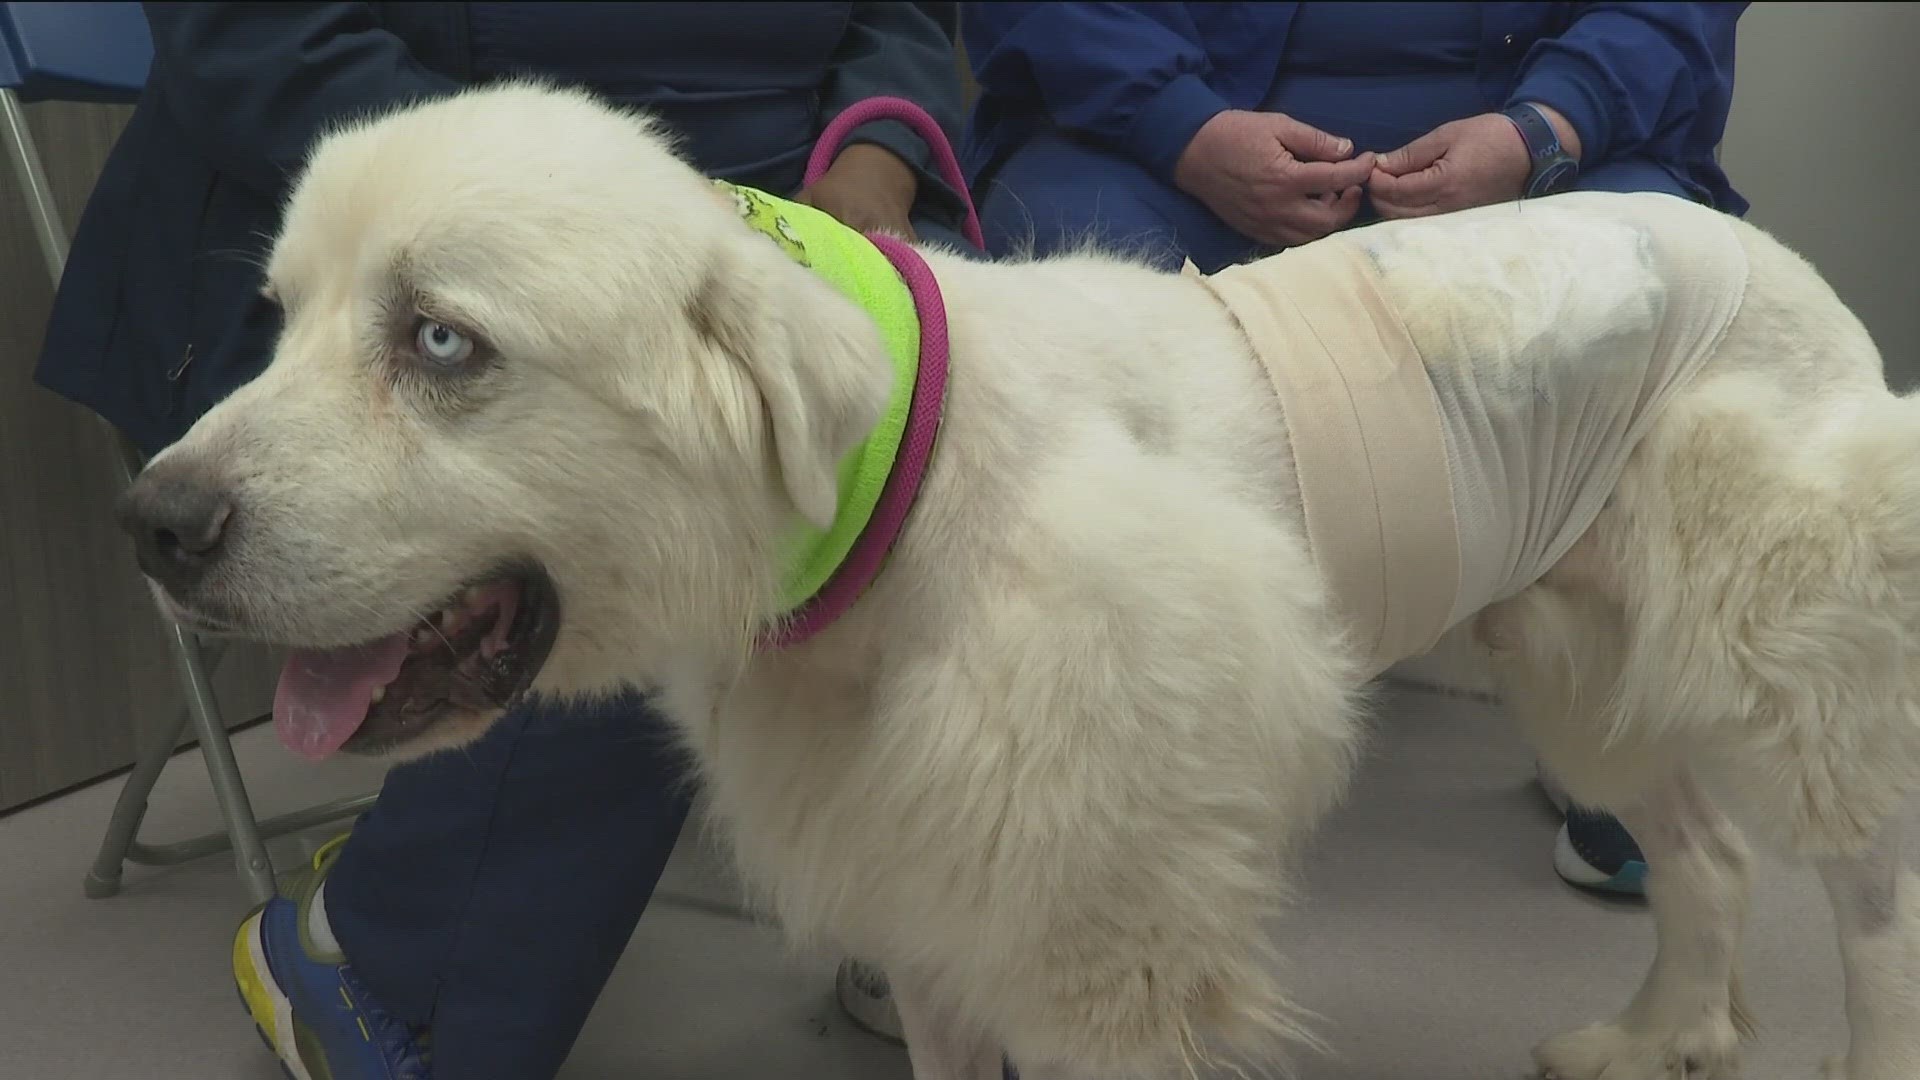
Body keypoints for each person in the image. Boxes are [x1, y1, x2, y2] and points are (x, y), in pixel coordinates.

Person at [36, 4, 967, 1077]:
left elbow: (896, 16)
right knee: (633, 529)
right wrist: (575, 220)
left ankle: (920, 912)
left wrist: (878, 151)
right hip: (380, 232)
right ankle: (375, 967)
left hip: (761, 239)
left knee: (951, 477)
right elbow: (246, 30)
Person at [959, 1, 1749, 896]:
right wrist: (1183, 128)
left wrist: (1543, 128)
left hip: (1531, 137)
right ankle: (1036, 791)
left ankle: (1608, 720)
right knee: (1057, 335)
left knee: (1642, 297)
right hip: (1170, 131)